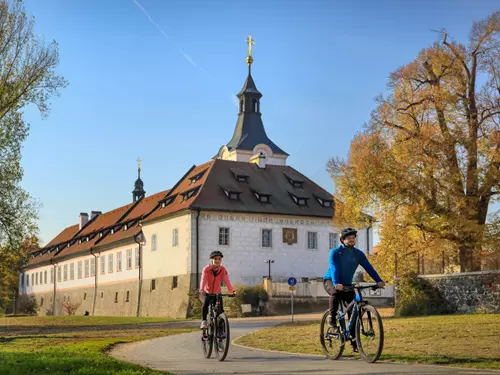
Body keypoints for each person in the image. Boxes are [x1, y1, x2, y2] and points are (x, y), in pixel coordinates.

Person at [323, 227, 385, 351]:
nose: (352, 240)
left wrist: (378, 280)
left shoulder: (358, 254)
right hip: (331, 280)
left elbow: (369, 267)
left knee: (353, 311)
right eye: (348, 238)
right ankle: (332, 318)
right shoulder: (335, 252)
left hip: (347, 284)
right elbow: (334, 268)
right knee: (335, 294)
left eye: (353, 238)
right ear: (343, 240)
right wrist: (336, 283)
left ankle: (354, 340)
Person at [199, 250, 236, 329]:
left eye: (219, 259)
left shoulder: (222, 269)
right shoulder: (206, 269)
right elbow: (203, 279)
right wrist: (202, 289)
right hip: (207, 292)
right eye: (215, 259)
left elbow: (227, 281)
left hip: (217, 293)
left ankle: (221, 328)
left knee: (220, 311)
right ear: (211, 260)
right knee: (205, 304)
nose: (217, 261)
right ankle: (204, 321)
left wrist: (232, 290)